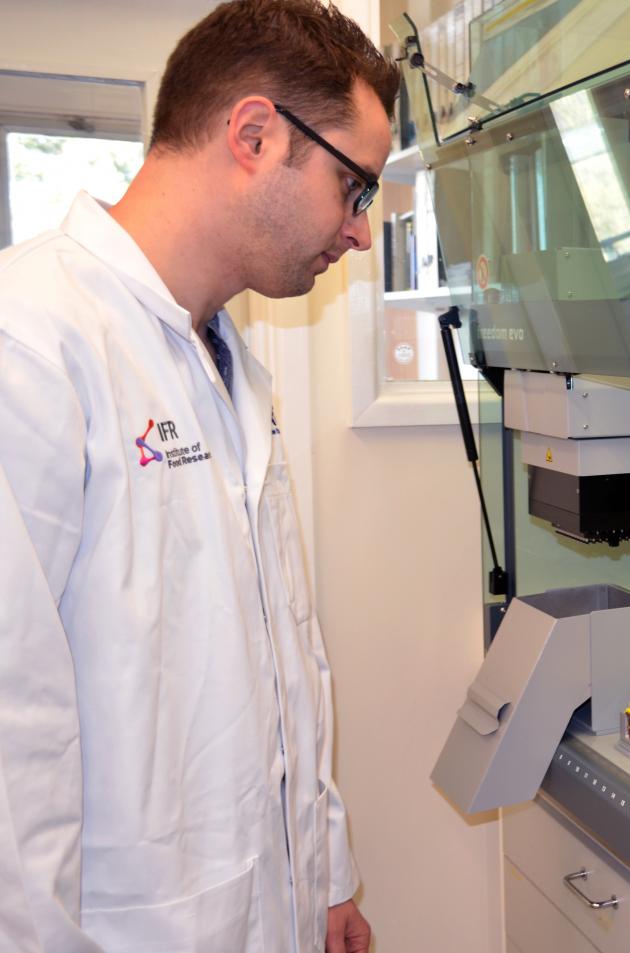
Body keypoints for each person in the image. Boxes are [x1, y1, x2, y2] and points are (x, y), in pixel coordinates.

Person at [0, 1, 397, 950]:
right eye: (354, 189)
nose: (359, 234)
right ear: (255, 135)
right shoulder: (33, 341)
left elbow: (284, 652)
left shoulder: (226, 364)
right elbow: (15, 731)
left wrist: (325, 874)